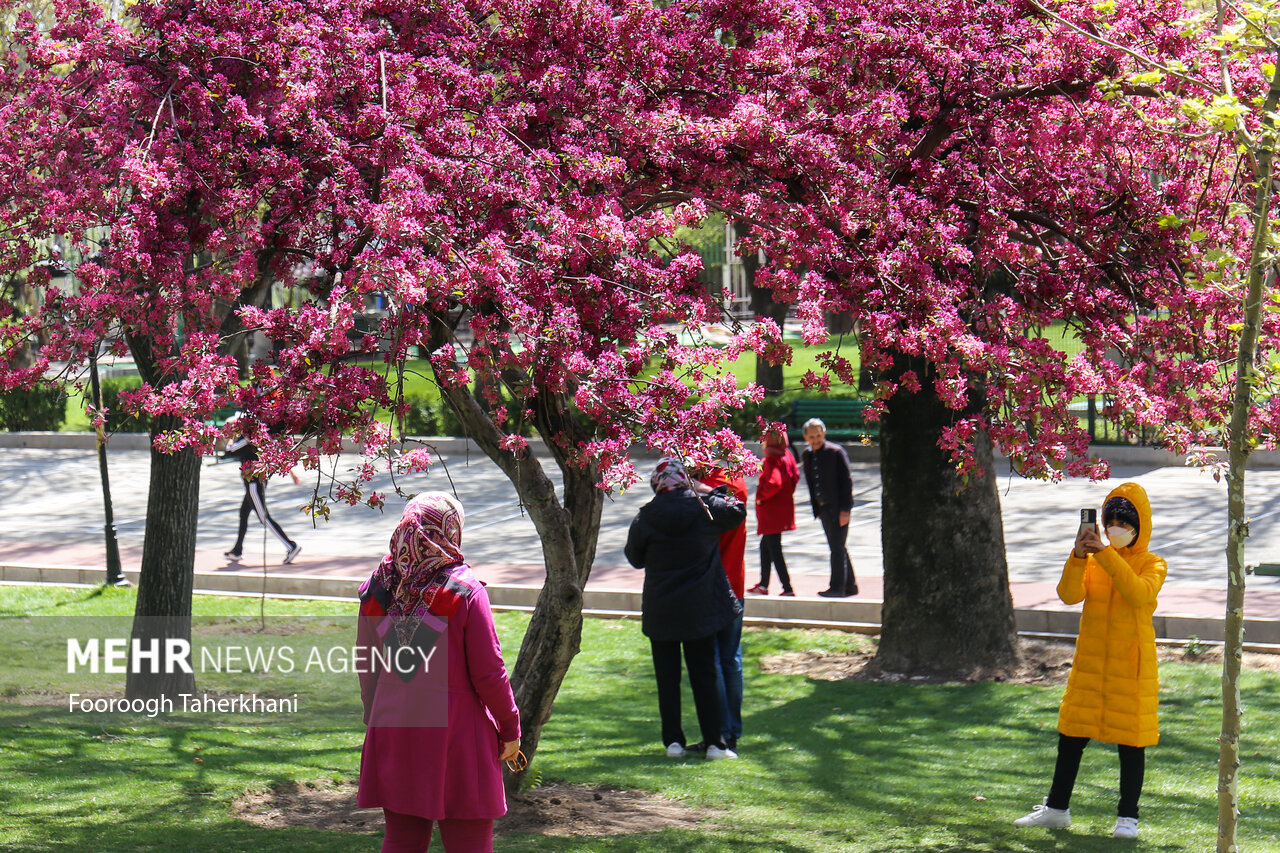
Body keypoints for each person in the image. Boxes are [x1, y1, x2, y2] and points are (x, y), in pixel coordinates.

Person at [356, 493, 521, 853]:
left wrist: (374, 715)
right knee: (469, 842)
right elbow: (490, 672)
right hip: (458, 734)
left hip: (394, 727)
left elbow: (366, 663)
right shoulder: (464, 591)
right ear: (449, 530)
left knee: (402, 840)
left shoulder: (378, 587)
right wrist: (510, 729)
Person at [1013, 482, 1166, 840]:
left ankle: (1128, 818)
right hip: (1091, 663)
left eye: (1124, 522)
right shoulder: (1094, 560)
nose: (1115, 528)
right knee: (1071, 736)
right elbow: (1068, 594)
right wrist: (1079, 556)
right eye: (1109, 520)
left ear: (1139, 526)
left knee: (1131, 742)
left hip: (1131, 666)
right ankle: (1056, 809)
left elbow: (1138, 592)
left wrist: (1106, 555)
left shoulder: (1153, 563)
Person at [625, 457, 745, 761]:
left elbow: (635, 557)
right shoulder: (704, 509)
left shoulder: (647, 515)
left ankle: (673, 741)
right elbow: (737, 510)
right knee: (704, 673)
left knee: (667, 677)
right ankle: (715, 742)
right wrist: (708, 490)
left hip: (661, 608)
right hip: (699, 608)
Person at [694, 460, 748, 752]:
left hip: (713, 585)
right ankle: (727, 733)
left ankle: (720, 734)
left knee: (715, 661)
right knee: (729, 660)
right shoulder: (735, 481)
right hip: (733, 584)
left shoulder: (707, 489)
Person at [221, 429, 302, 565]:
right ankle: (237, 550)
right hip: (256, 481)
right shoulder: (259, 435)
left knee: (264, 517)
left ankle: (291, 546)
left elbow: (230, 450)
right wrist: (291, 473)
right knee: (244, 514)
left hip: (253, 483)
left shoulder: (247, 437)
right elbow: (275, 454)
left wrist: (231, 437)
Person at [800, 418, 857, 597]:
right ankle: (850, 585)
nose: (816, 439)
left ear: (824, 434)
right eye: (812, 437)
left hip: (839, 507)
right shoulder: (807, 455)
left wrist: (846, 510)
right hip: (823, 508)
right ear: (806, 437)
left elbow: (847, 483)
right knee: (838, 546)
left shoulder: (836, 452)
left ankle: (837, 587)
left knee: (837, 548)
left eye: (818, 435)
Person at [748, 431, 799, 597]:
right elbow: (795, 477)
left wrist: (761, 497)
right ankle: (763, 584)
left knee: (775, 549)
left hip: (771, 512)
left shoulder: (771, 460)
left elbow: (773, 483)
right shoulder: (787, 455)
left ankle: (788, 587)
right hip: (783, 508)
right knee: (765, 547)